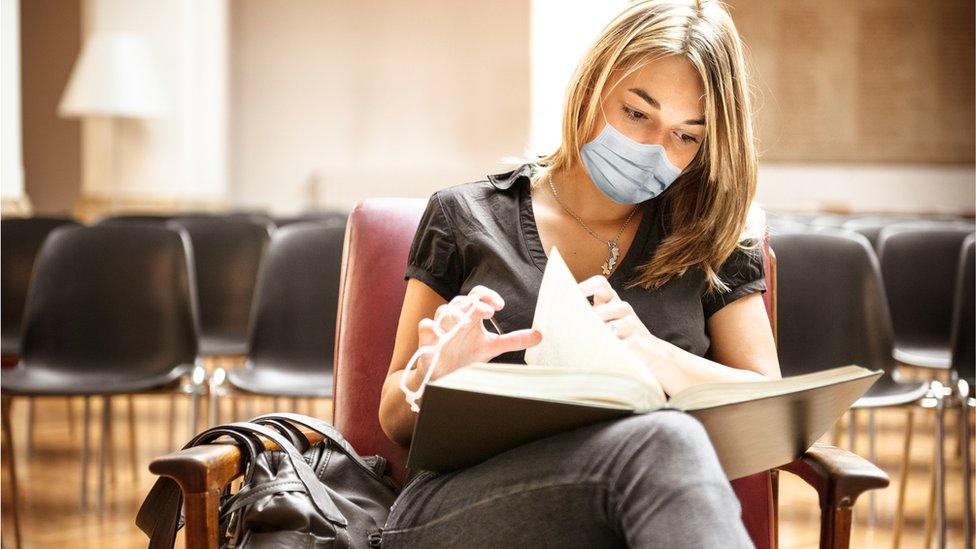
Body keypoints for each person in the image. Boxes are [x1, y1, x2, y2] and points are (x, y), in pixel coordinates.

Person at [377, 0, 781, 546]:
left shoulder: (712, 239)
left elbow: (766, 406)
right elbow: (394, 417)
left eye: (685, 136)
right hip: (461, 508)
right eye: (637, 113)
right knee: (663, 441)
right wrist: (435, 379)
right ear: (590, 86)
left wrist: (655, 355)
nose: (651, 149)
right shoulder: (463, 216)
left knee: (660, 443)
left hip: (632, 510)